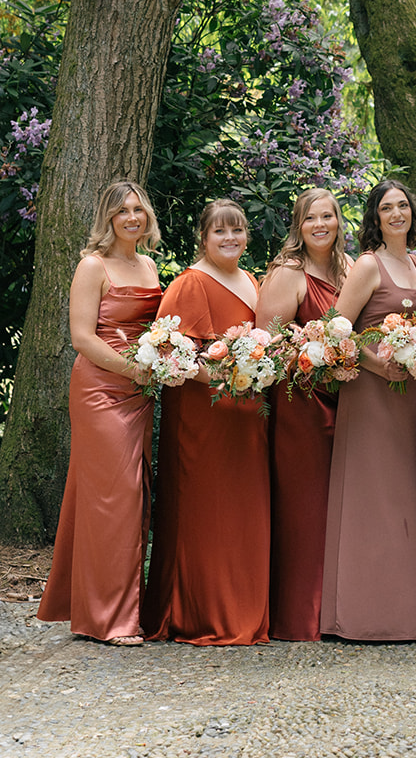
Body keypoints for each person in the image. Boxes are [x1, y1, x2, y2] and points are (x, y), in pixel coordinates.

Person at [38, 180, 162, 645]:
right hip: (101, 390)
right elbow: (82, 338)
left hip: (139, 390)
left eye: (138, 209)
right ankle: (108, 620)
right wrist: (134, 369)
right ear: (108, 218)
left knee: (130, 496)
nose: (132, 217)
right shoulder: (92, 266)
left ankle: (112, 607)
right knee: (114, 496)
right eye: (122, 211)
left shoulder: (148, 265)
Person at [143, 199, 270, 646]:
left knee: (240, 512)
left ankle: (243, 608)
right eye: (220, 231)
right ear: (204, 236)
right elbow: (169, 352)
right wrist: (223, 376)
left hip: (247, 419)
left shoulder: (252, 281)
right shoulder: (189, 284)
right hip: (204, 418)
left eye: (237, 230)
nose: (230, 238)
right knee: (207, 511)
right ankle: (199, 612)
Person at [320, 177, 416, 641]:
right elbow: (335, 326)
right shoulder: (368, 264)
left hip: (408, 393)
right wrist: (378, 366)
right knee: (371, 493)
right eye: (387, 208)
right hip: (370, 391)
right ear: (375, 218)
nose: (397, 214)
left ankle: (401, 611)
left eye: (403, 206)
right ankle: (361, 613)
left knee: (401, 494)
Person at [257, 187, 353, 641]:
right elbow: (268, 338)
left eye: (328, 216)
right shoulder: (288, 273)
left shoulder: (350, 269)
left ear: (339, 222)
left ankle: (338, 606)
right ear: (299, 225)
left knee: (341, 502)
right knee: (305, 505)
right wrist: (311, 349)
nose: (321, 225)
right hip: (300, 400)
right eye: (311, 217)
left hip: (347, 397)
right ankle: (300, 614)